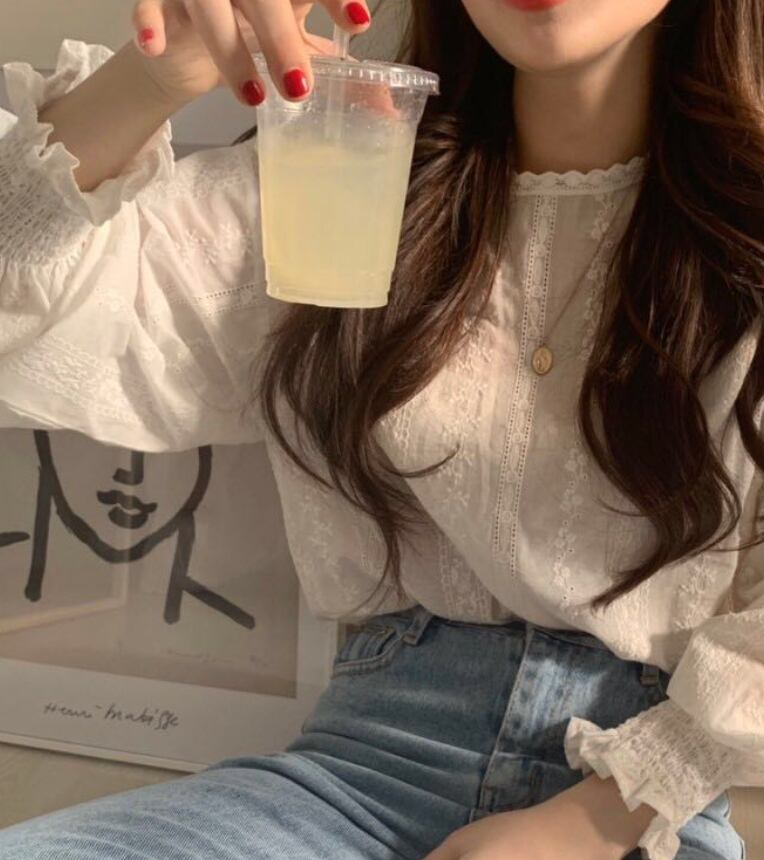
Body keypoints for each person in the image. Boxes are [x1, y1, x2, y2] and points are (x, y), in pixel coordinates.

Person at [0, 0, 761, 858]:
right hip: (353, 776)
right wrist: (152, 76)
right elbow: (22, 310)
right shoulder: (346, 168)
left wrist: (600, 816)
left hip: (645, 809)